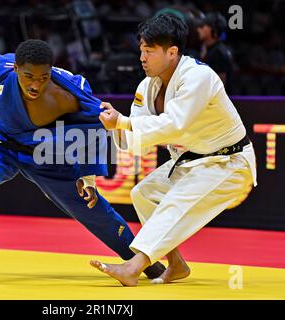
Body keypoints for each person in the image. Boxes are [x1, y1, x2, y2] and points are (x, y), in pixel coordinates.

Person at [0, 39, 165, 284]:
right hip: (1, 145)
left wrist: (88, 177)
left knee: (89, 206)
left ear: (50, 72)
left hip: (46, 155)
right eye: (28, 77)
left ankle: (142, 262)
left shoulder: (69, 89)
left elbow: (99, 124)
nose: (36, 84)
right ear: (15, 68)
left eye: (42, 78)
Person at [90, 14, 257, 286]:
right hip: (191, 162)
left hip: (228, 161)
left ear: (172, 52)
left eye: (149, 51)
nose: (142, 58)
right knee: (143, 193)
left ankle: (133, 267)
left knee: (175, 201)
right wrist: (114, 125)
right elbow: (138, 140)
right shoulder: (148, 85)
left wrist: (122, 121)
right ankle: (176, 264)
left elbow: (175, 125)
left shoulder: (198, 76)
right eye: (141, 51)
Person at [197, 12, 234, 92]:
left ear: (213, 29)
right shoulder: (207, 49)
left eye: (203, 26)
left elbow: (220, 87)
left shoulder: (219, 53)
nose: (199, 29)